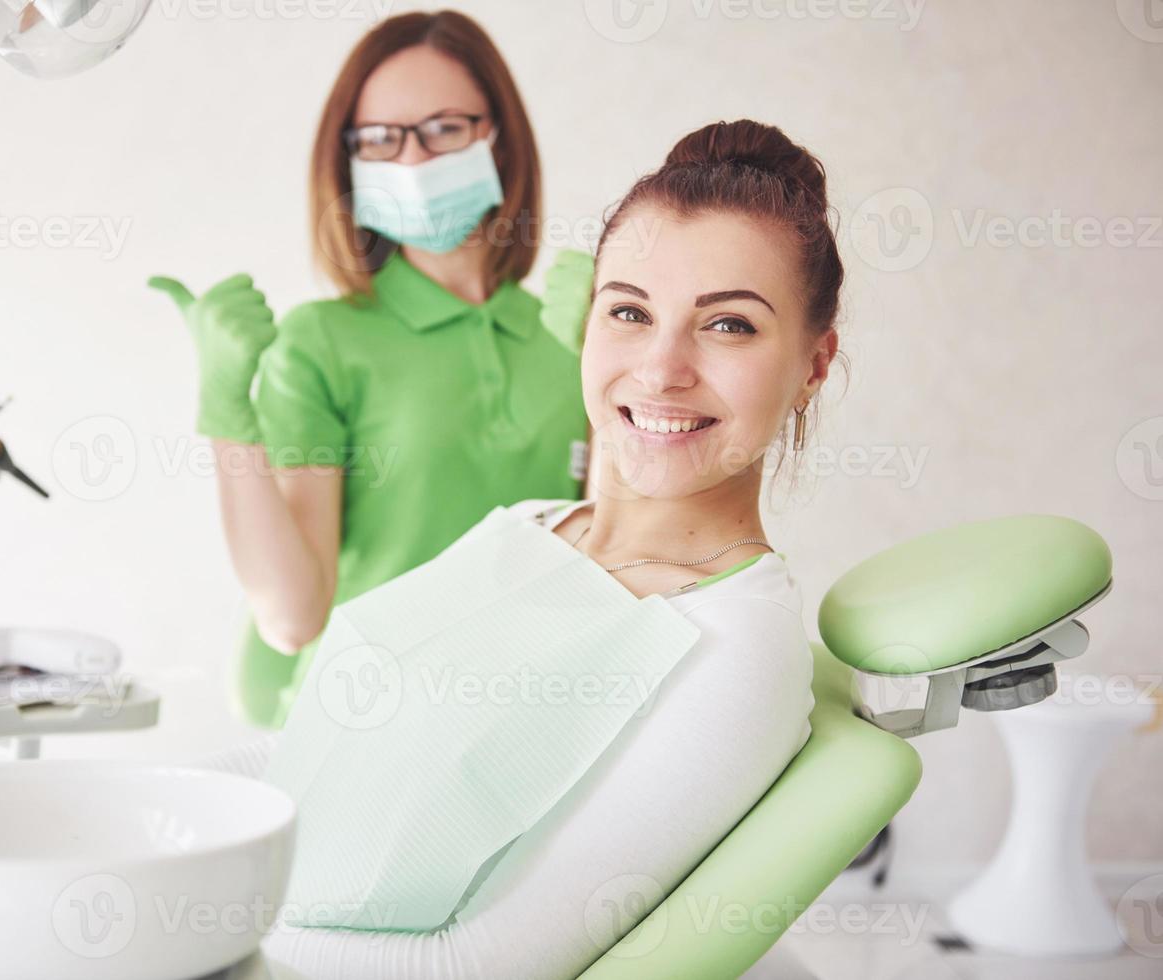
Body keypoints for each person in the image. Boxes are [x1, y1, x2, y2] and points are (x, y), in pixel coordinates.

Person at [191, 117, 844, 979]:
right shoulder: (534, 523)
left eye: (727, 326)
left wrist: (201, 934)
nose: (658, 368)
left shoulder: (732, 646)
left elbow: (477, 966)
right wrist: (152, 823)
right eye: (628, 311)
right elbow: (313, 744)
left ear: (812, 364)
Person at [149, 10, 590, 730]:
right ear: (349, 160)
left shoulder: (566, 338)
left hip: (530, 722)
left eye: (443, 128)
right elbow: (292, 621)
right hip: (363, 725)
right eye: (381, 138)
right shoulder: (323, 341)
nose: (412, 162)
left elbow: (623, 563)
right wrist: (227, 411)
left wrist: (627, 359)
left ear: (497, 137)